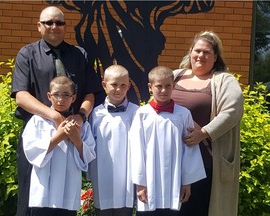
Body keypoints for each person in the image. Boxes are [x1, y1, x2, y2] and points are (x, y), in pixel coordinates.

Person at [11, 6, 105, 216]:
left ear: (65, 27)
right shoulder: (27, 54)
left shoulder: (79, 54)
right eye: (49, 22)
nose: (54, 27)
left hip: (72, 133)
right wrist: (53, 115)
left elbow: (91, 93)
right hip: (39, 134)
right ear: (39, 26)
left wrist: (80, 116)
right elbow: (21, 95)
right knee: (30, 200)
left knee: (66, 198)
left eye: (59, 23)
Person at [171, 31, 244, 216]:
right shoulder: (175, 76)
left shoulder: (223, 80)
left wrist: (203, 133)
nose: (201, 56)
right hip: (169, 162)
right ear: (190, 52)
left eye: (207, 52)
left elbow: (232, 110)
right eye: (197, 51)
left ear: (215, 57)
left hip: (202, 163)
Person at [130, 66, 206, 216]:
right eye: (159, 86)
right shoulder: (141, 114)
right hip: (149, 181)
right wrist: (140, 183)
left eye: (168, 86)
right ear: (150, 87)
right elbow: (136, 149)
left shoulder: (183, 114)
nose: (163, 90)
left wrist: (187, 182)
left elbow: (189, 149)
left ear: (174, 86)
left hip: (175, 180)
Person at [22, 76, 96, 216]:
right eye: (56, 95)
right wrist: (59, 137)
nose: (60, 100)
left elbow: (89, 155)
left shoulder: (81, 125)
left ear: (73, 98)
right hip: (44, 192)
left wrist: (76, 139)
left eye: (66, 95)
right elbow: (32, 152)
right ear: (49, 96)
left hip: (68, 191)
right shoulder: (38, 121)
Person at [88, 65, 139, 216]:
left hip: (127, 174)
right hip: (102, 173)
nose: (118, 89)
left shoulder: (137, 112)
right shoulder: (96, 113)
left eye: (123, 85)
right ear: (104, 85)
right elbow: (90, 145)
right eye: (114, 85)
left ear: (129, 86)